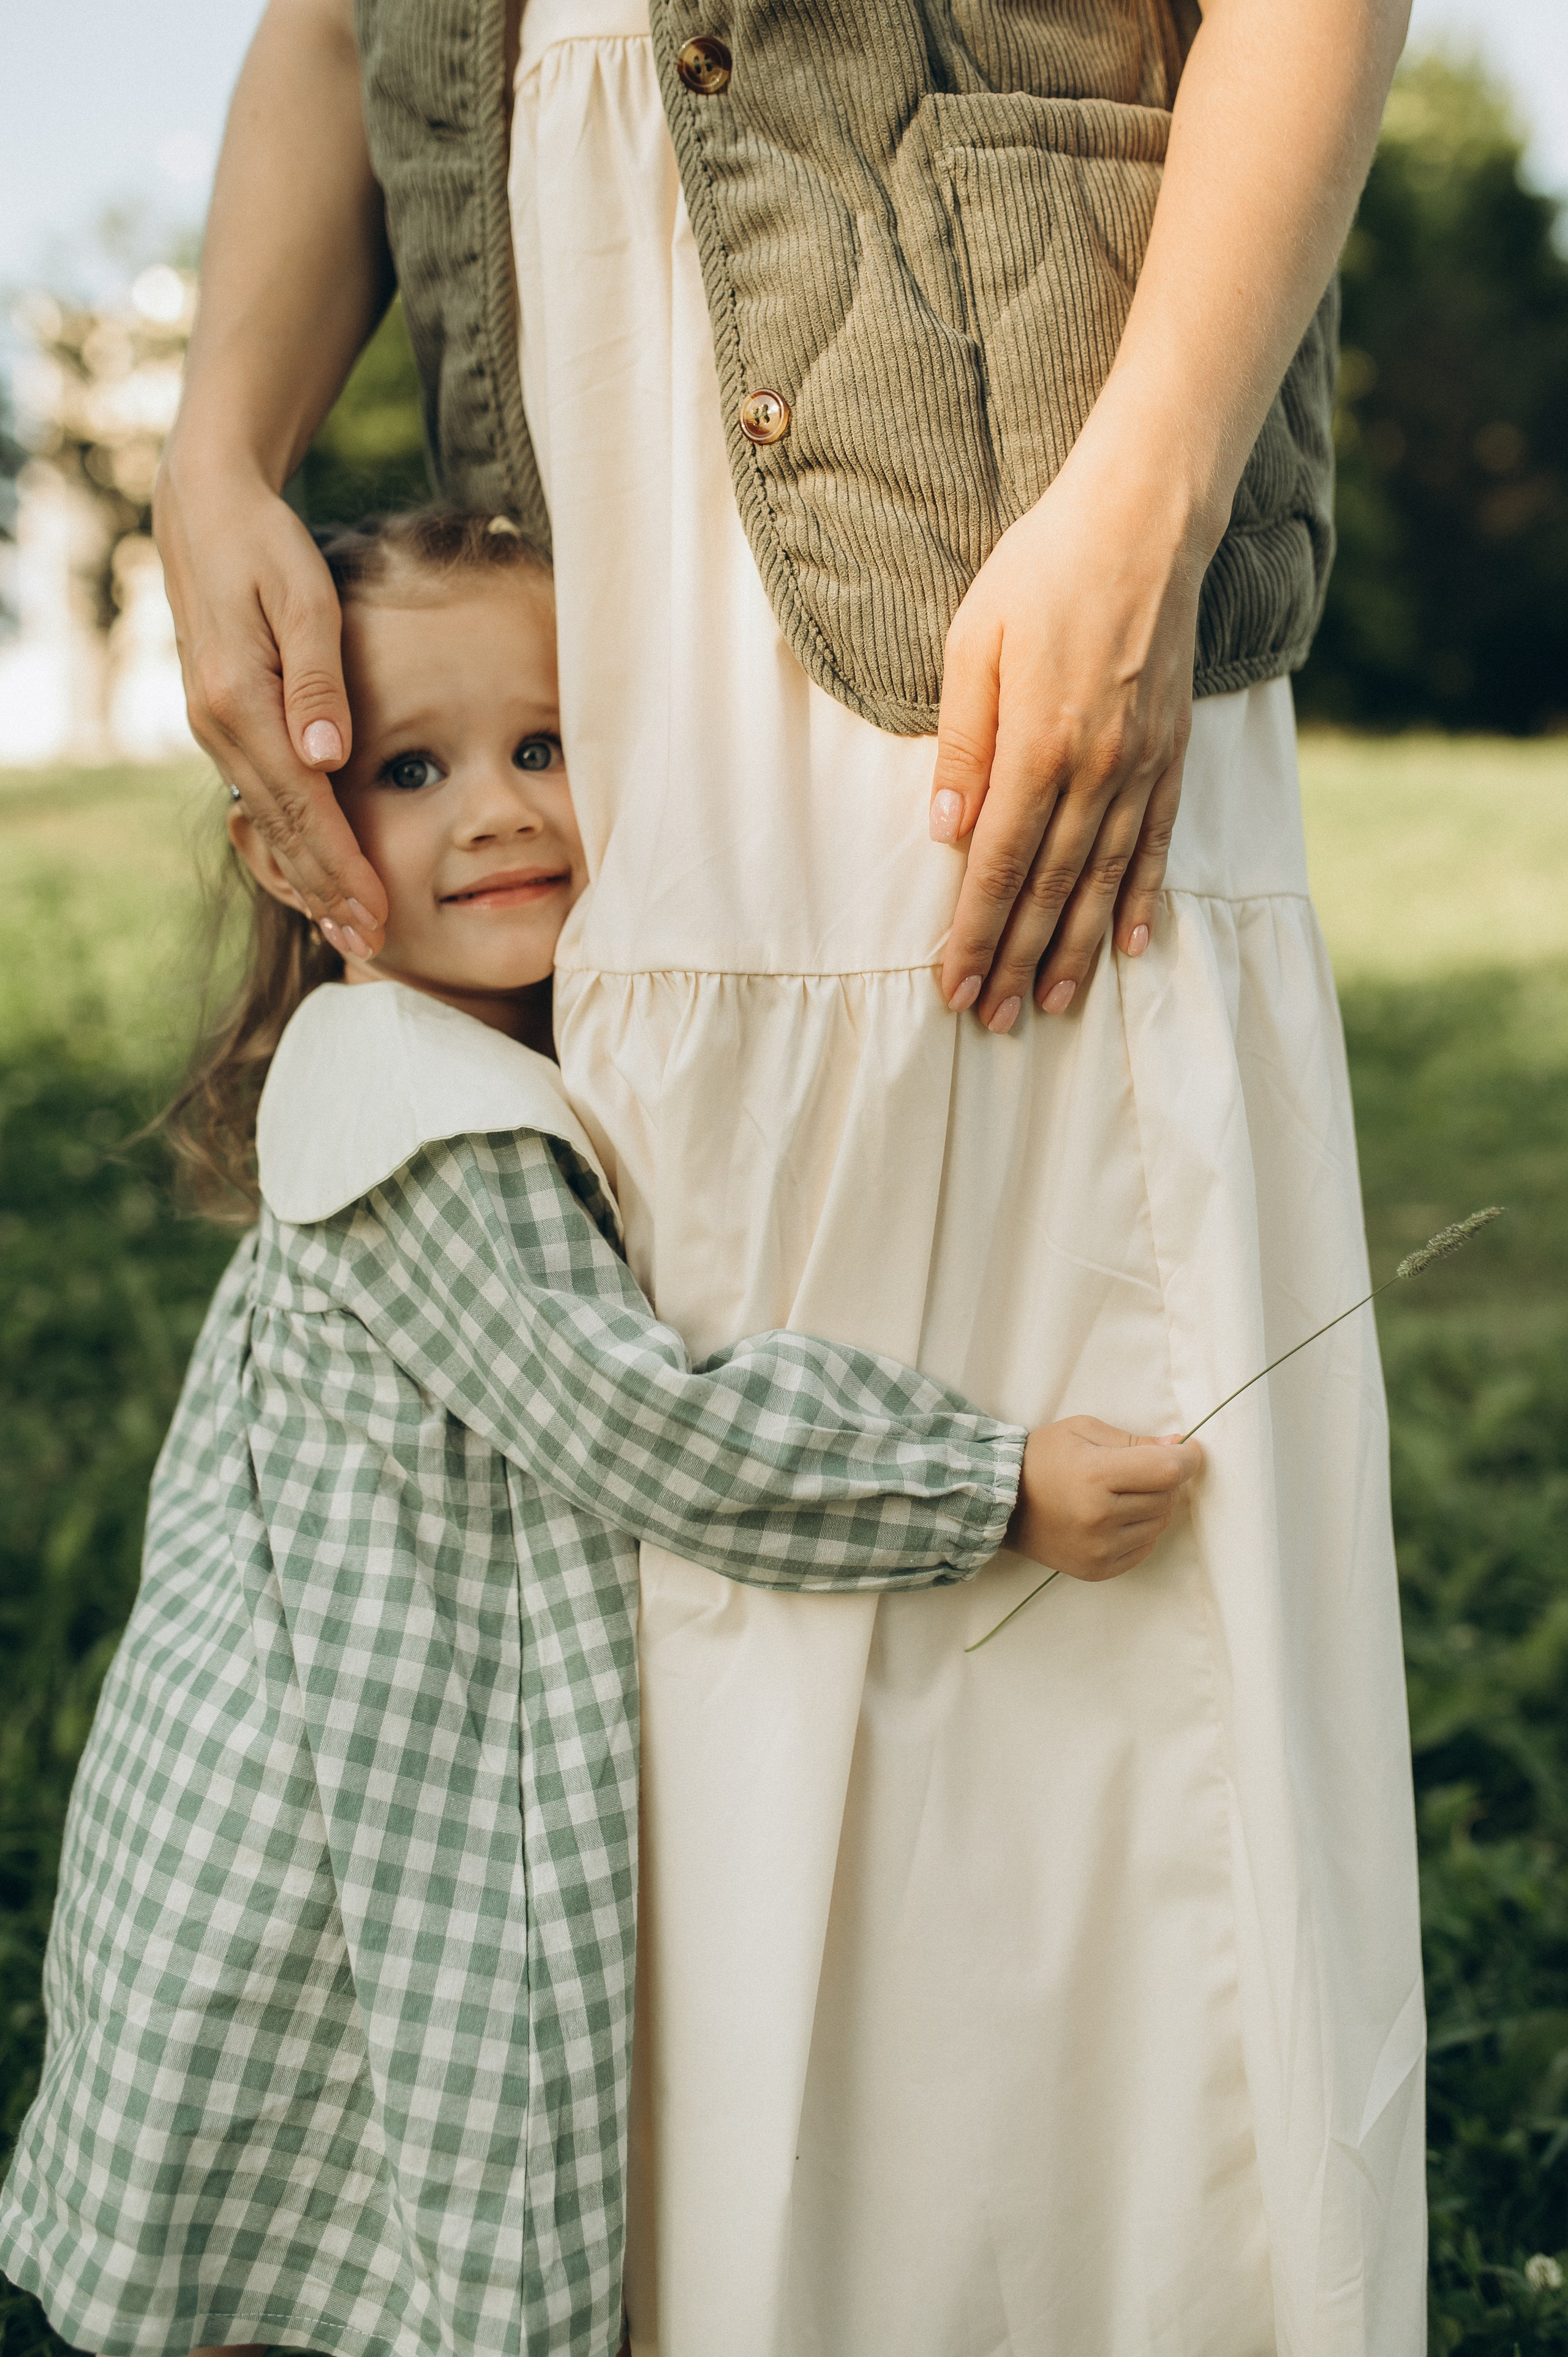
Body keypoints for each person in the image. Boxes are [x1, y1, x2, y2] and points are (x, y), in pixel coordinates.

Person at [151, 0, 1426, 2347]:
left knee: (1099, 1750)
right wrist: (213, 445)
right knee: (694, 1657)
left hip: (1019, 492)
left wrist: (1146, 486)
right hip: (598, 487)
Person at [0, 509, 1202, 2357]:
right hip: (317, 1836)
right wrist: (991, 1480)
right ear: (288, 840)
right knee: (295, 2236)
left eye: (546, 744)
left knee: (301, 2243)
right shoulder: (419, 1107)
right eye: (412, 770)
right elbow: (639, 1423)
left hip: (338, 1771)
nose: (498, 810)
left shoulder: (467, 1064)